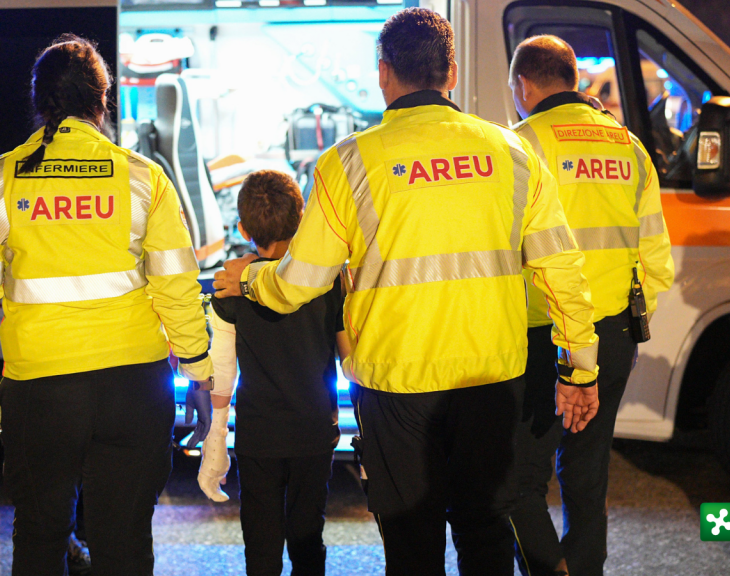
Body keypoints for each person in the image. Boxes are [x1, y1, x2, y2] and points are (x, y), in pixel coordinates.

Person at [214, 9, 601, 575]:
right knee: (486, 532)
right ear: (451, 72)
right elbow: (562, 269)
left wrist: (247, 277)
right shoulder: (514, 154)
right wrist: (581, 368)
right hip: (490, 381)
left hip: (397, 389)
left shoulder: (348, 162)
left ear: (382, 72)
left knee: (412, 544)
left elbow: (299, 284)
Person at [0, 35, 214, 575]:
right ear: (100, 101)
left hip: (39, 391)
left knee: (39, 539)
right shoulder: (142, 179)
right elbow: (177, 287)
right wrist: (201, 375)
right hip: (133, 388)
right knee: (125, 542)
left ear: (40, 101)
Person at [507, 36, 675, 576]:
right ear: (573, 79)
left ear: (523, 86)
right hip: (617, 331)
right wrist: (619, 320)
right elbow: (657, 258)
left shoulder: (521, 143)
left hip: (542, 332)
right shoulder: (628, 145)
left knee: (519, 478)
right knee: (587, 472)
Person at [198, 169, 344, 575]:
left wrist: (215, 444)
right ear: (300, 222)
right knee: (307, 540)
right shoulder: (326, 281)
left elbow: (223, 372)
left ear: (243, 228)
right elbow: (348, 351)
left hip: (258, 434)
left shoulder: (230, 286)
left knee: (260, 548)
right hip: (314, 430)